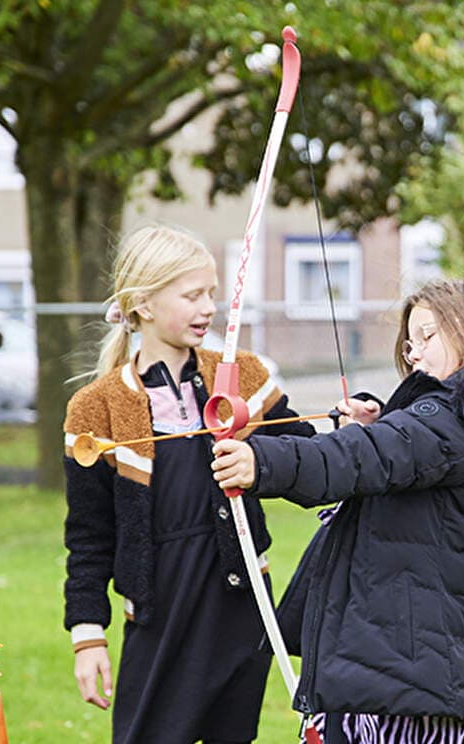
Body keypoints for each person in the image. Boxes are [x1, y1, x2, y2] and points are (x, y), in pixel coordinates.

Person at [210, 276, 464, 743]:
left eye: (429, 336)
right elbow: (397, 454)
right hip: (409, 676)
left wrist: (262, 461)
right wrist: (384, 423)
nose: (415, 354)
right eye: (410, 344)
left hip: (402, 682)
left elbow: (363, 457)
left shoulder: (457, 419)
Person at [63, 223, 317, 744]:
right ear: (144, 304)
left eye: (212, 294)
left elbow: (308, 457)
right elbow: (88, 536)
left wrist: (348, 428)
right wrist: (88, 636)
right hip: (161, 612)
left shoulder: (241, 375)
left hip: (239, 604)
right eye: (192, 295)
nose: (208, 308)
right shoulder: (97, 407)